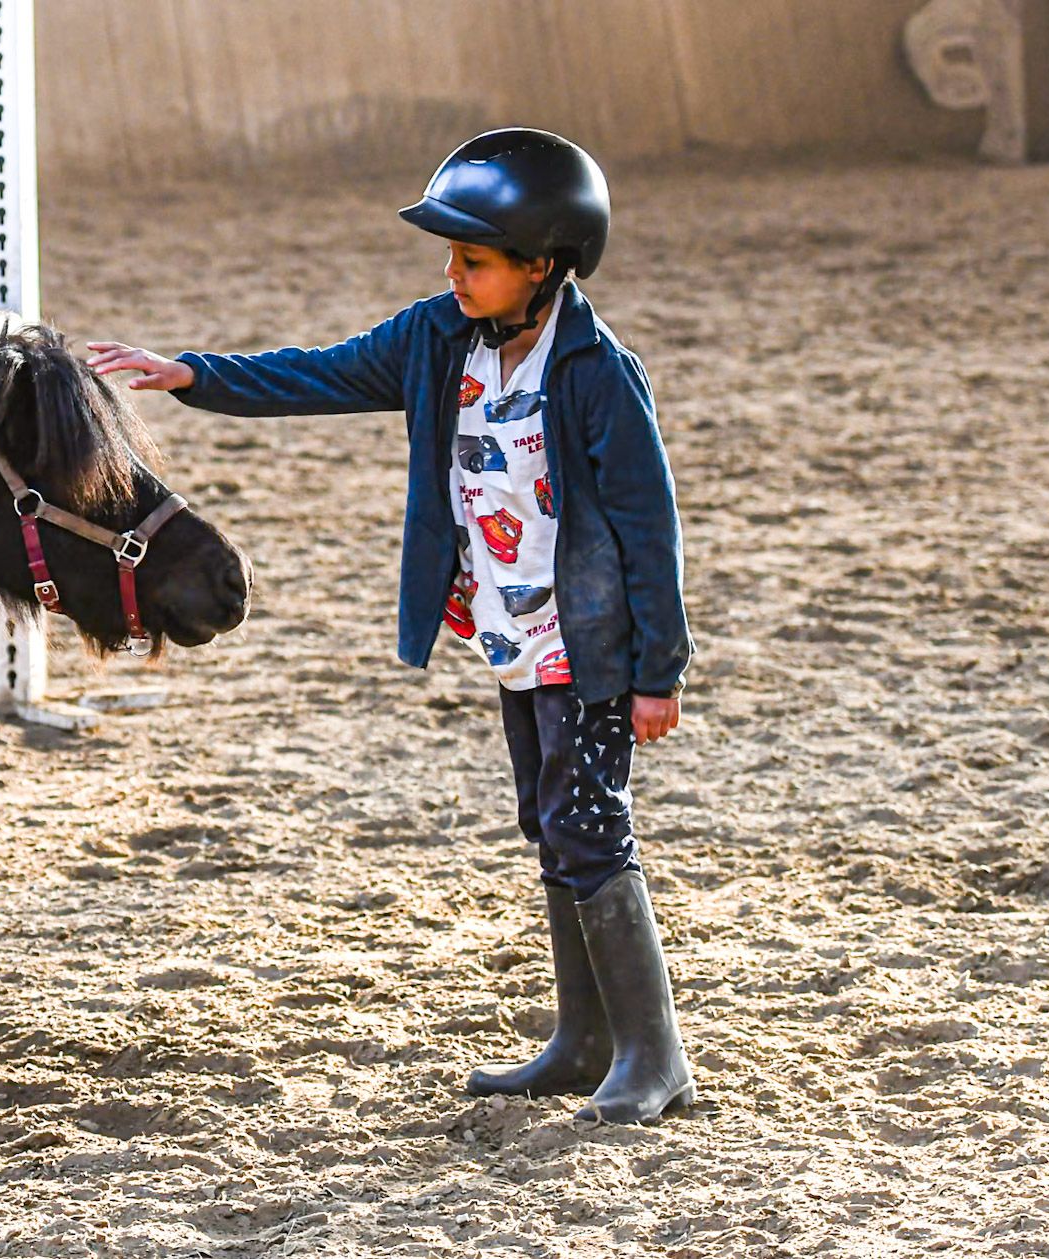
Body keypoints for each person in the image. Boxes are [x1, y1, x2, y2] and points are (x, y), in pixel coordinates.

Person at [87, 128, 695, 1124]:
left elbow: (647, 525)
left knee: (589, 826)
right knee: (550, 823)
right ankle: (585, 1042)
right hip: (510, 635)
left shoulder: (596, 372)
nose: (451, 275)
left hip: (588, 648)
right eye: (450, 256)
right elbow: (320, 373)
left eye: (473, 260)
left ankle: (652, 1054)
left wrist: (657, 673)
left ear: (541, 266)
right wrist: (193, 375)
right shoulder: (435, 340)